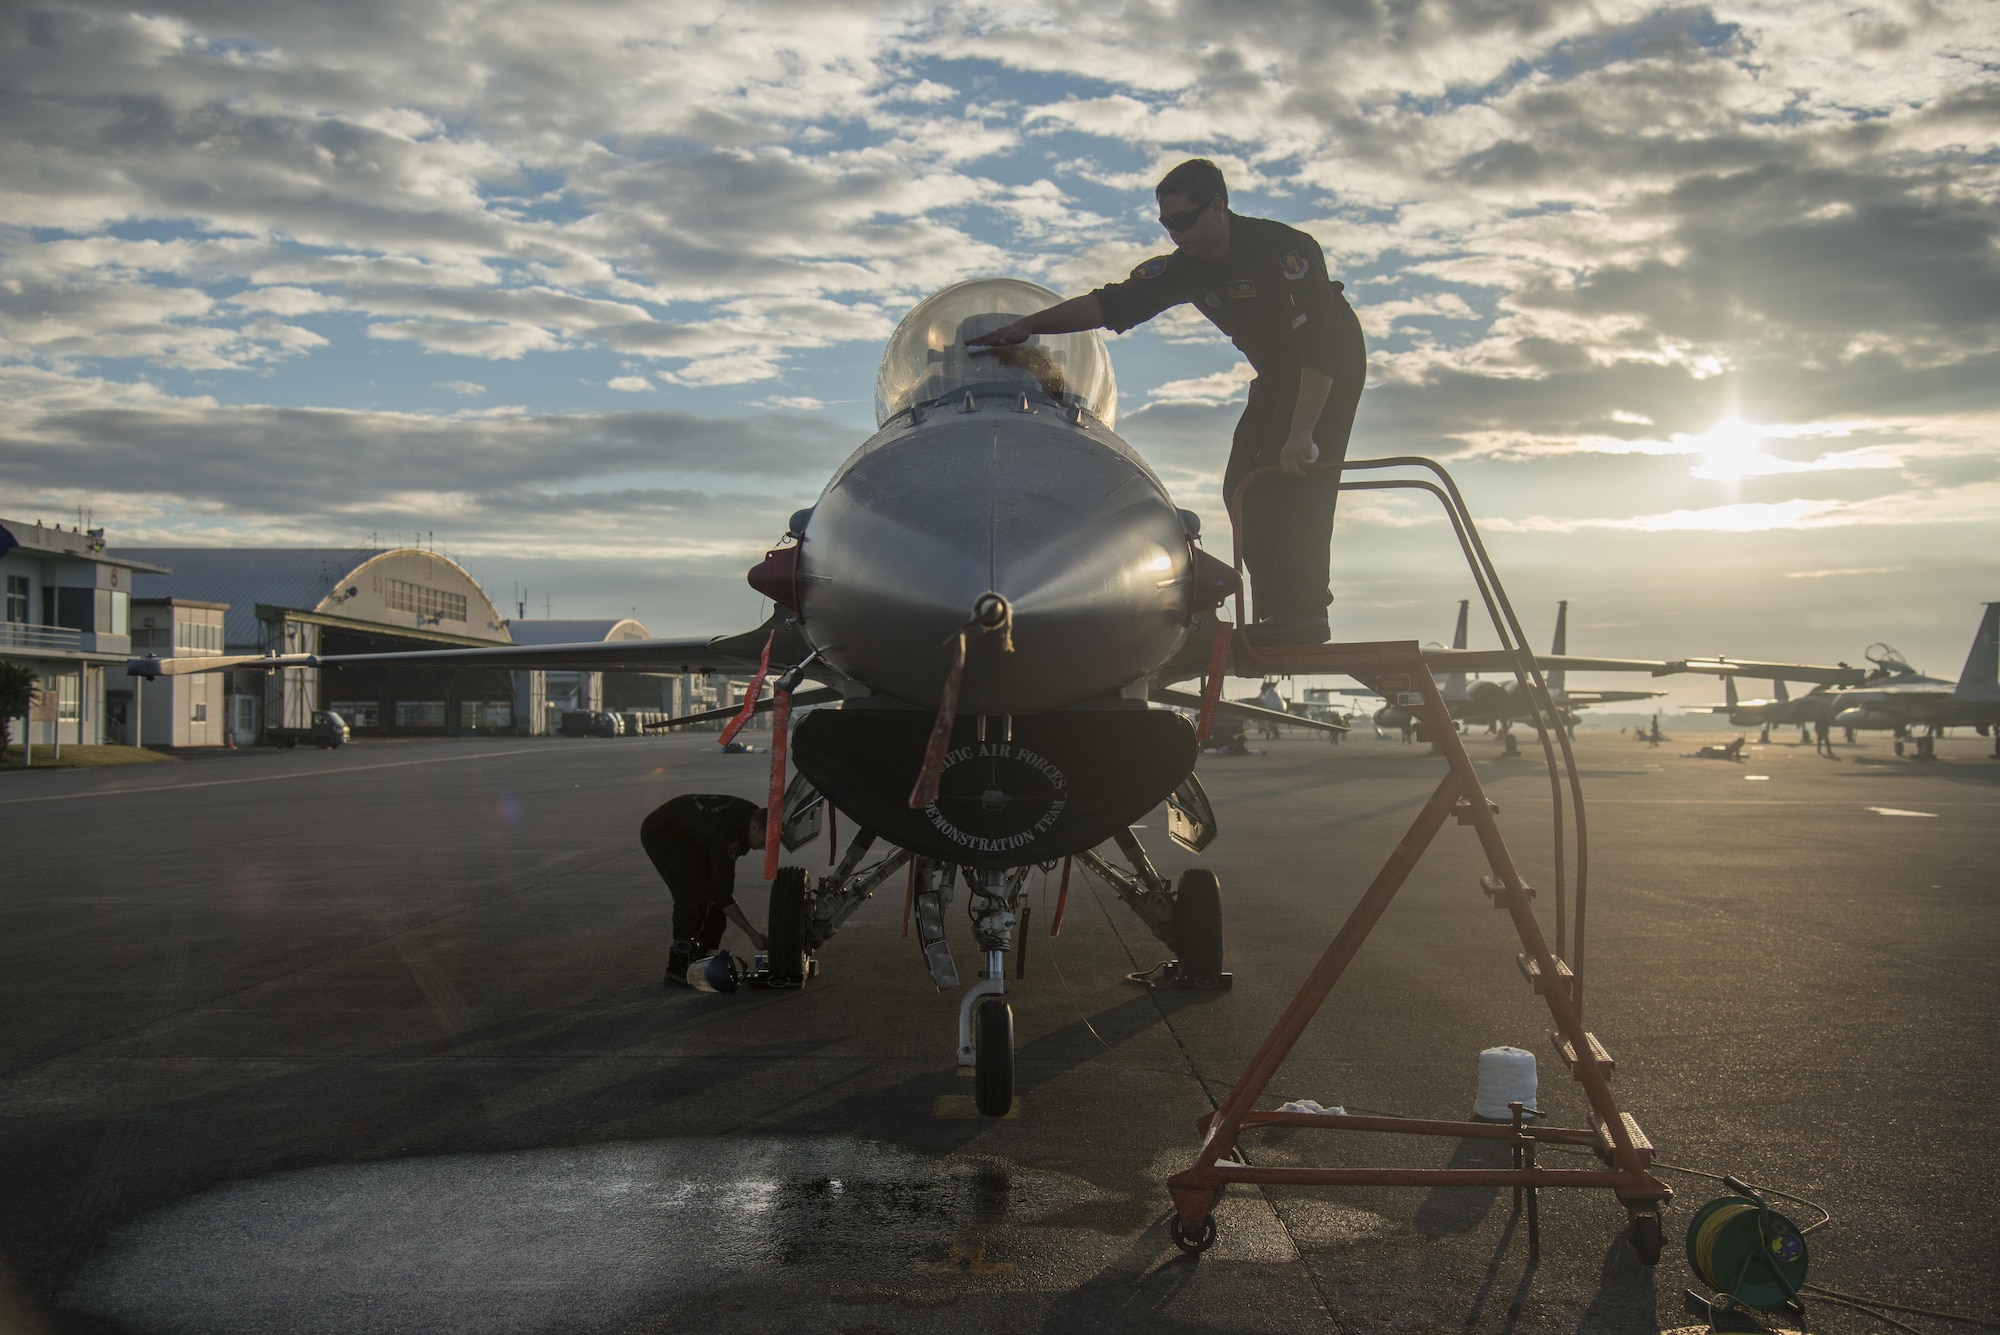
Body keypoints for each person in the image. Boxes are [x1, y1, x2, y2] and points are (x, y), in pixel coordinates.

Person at [967, 158, 1367, 647]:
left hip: (1328, 366)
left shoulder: (1284, 250)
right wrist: (1031, 325)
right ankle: (1279, 616)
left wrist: (1303, 432)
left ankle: (1304, 616)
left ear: (1217, 207)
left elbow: (1322, 346)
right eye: (1165, 224)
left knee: (1296, 478)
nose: (1175, 235)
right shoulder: (1187, 269)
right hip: (1278, 373)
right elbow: (1112, 302)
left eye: (1183, 221)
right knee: (1243, 483)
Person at [640, 794, 771, 987]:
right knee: (693, 894)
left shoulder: (753, 814)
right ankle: (679, 964)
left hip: (689, 834)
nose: (766, 847)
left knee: (710, 892)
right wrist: (752, 934)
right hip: (662, 832)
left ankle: (700, 955)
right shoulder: (729, 835)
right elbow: (724, 896)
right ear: (755, 827)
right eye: (766, 840)